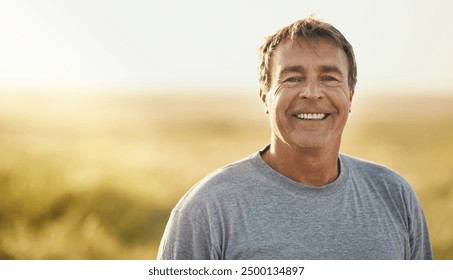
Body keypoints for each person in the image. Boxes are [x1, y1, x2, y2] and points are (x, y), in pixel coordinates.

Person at [157, 18, 433, 260]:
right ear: (265, 95)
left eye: (329, 78)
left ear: (350, 95)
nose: (312, 93)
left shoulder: (395, 196)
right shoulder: (207, 210)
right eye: (291, 79)